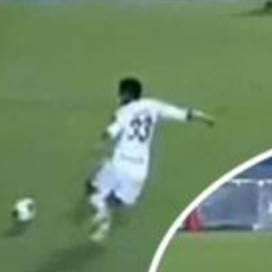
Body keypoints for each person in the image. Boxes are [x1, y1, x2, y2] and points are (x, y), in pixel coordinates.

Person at [87, 77, 214, 242]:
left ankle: (101, 213)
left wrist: (99, 144)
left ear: (125, 94)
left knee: (93, 190)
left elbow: (111, 131)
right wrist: (205, 118)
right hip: (139, 170)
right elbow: (184, 114)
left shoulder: (123, 111)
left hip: (120, 163)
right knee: (119, 200)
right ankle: (104, 223)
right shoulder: (153, 106)